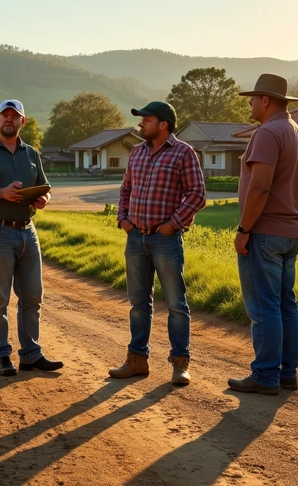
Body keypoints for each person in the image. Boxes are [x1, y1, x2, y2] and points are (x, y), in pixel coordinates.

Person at [0, 99, 63, 377]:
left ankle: (31, 354)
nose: (9, 119)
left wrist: (44, 199)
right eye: (4, 115)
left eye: (14, 116)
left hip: (27, 230)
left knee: (32, 295)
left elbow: (45, 187)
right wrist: (1, 193)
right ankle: (2, 355)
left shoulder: (31, 153)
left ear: (22, 122)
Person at [109, 101, 206, 386]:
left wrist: (172, 224)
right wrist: (123, 219)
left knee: (176, 303)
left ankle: (180, 363)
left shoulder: (184, 153)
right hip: (135, 238)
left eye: (146, 119)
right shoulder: (137, 152)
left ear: (163, 124)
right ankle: (137, 359)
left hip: (165, 240)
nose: (141, 123)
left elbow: (197, 195)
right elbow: (125, 189)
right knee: (138, 303)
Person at [226, 74, 298, 396]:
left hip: (265, 231)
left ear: (266, 100)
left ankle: (265, 375)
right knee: (286, 304)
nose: (249, 102)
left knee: (264, 307)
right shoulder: (296, 131)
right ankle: (287, 373)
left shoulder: (267, 133)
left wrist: (243, 229)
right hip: (291, 230)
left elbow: (260, 187)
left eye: (253, 97)